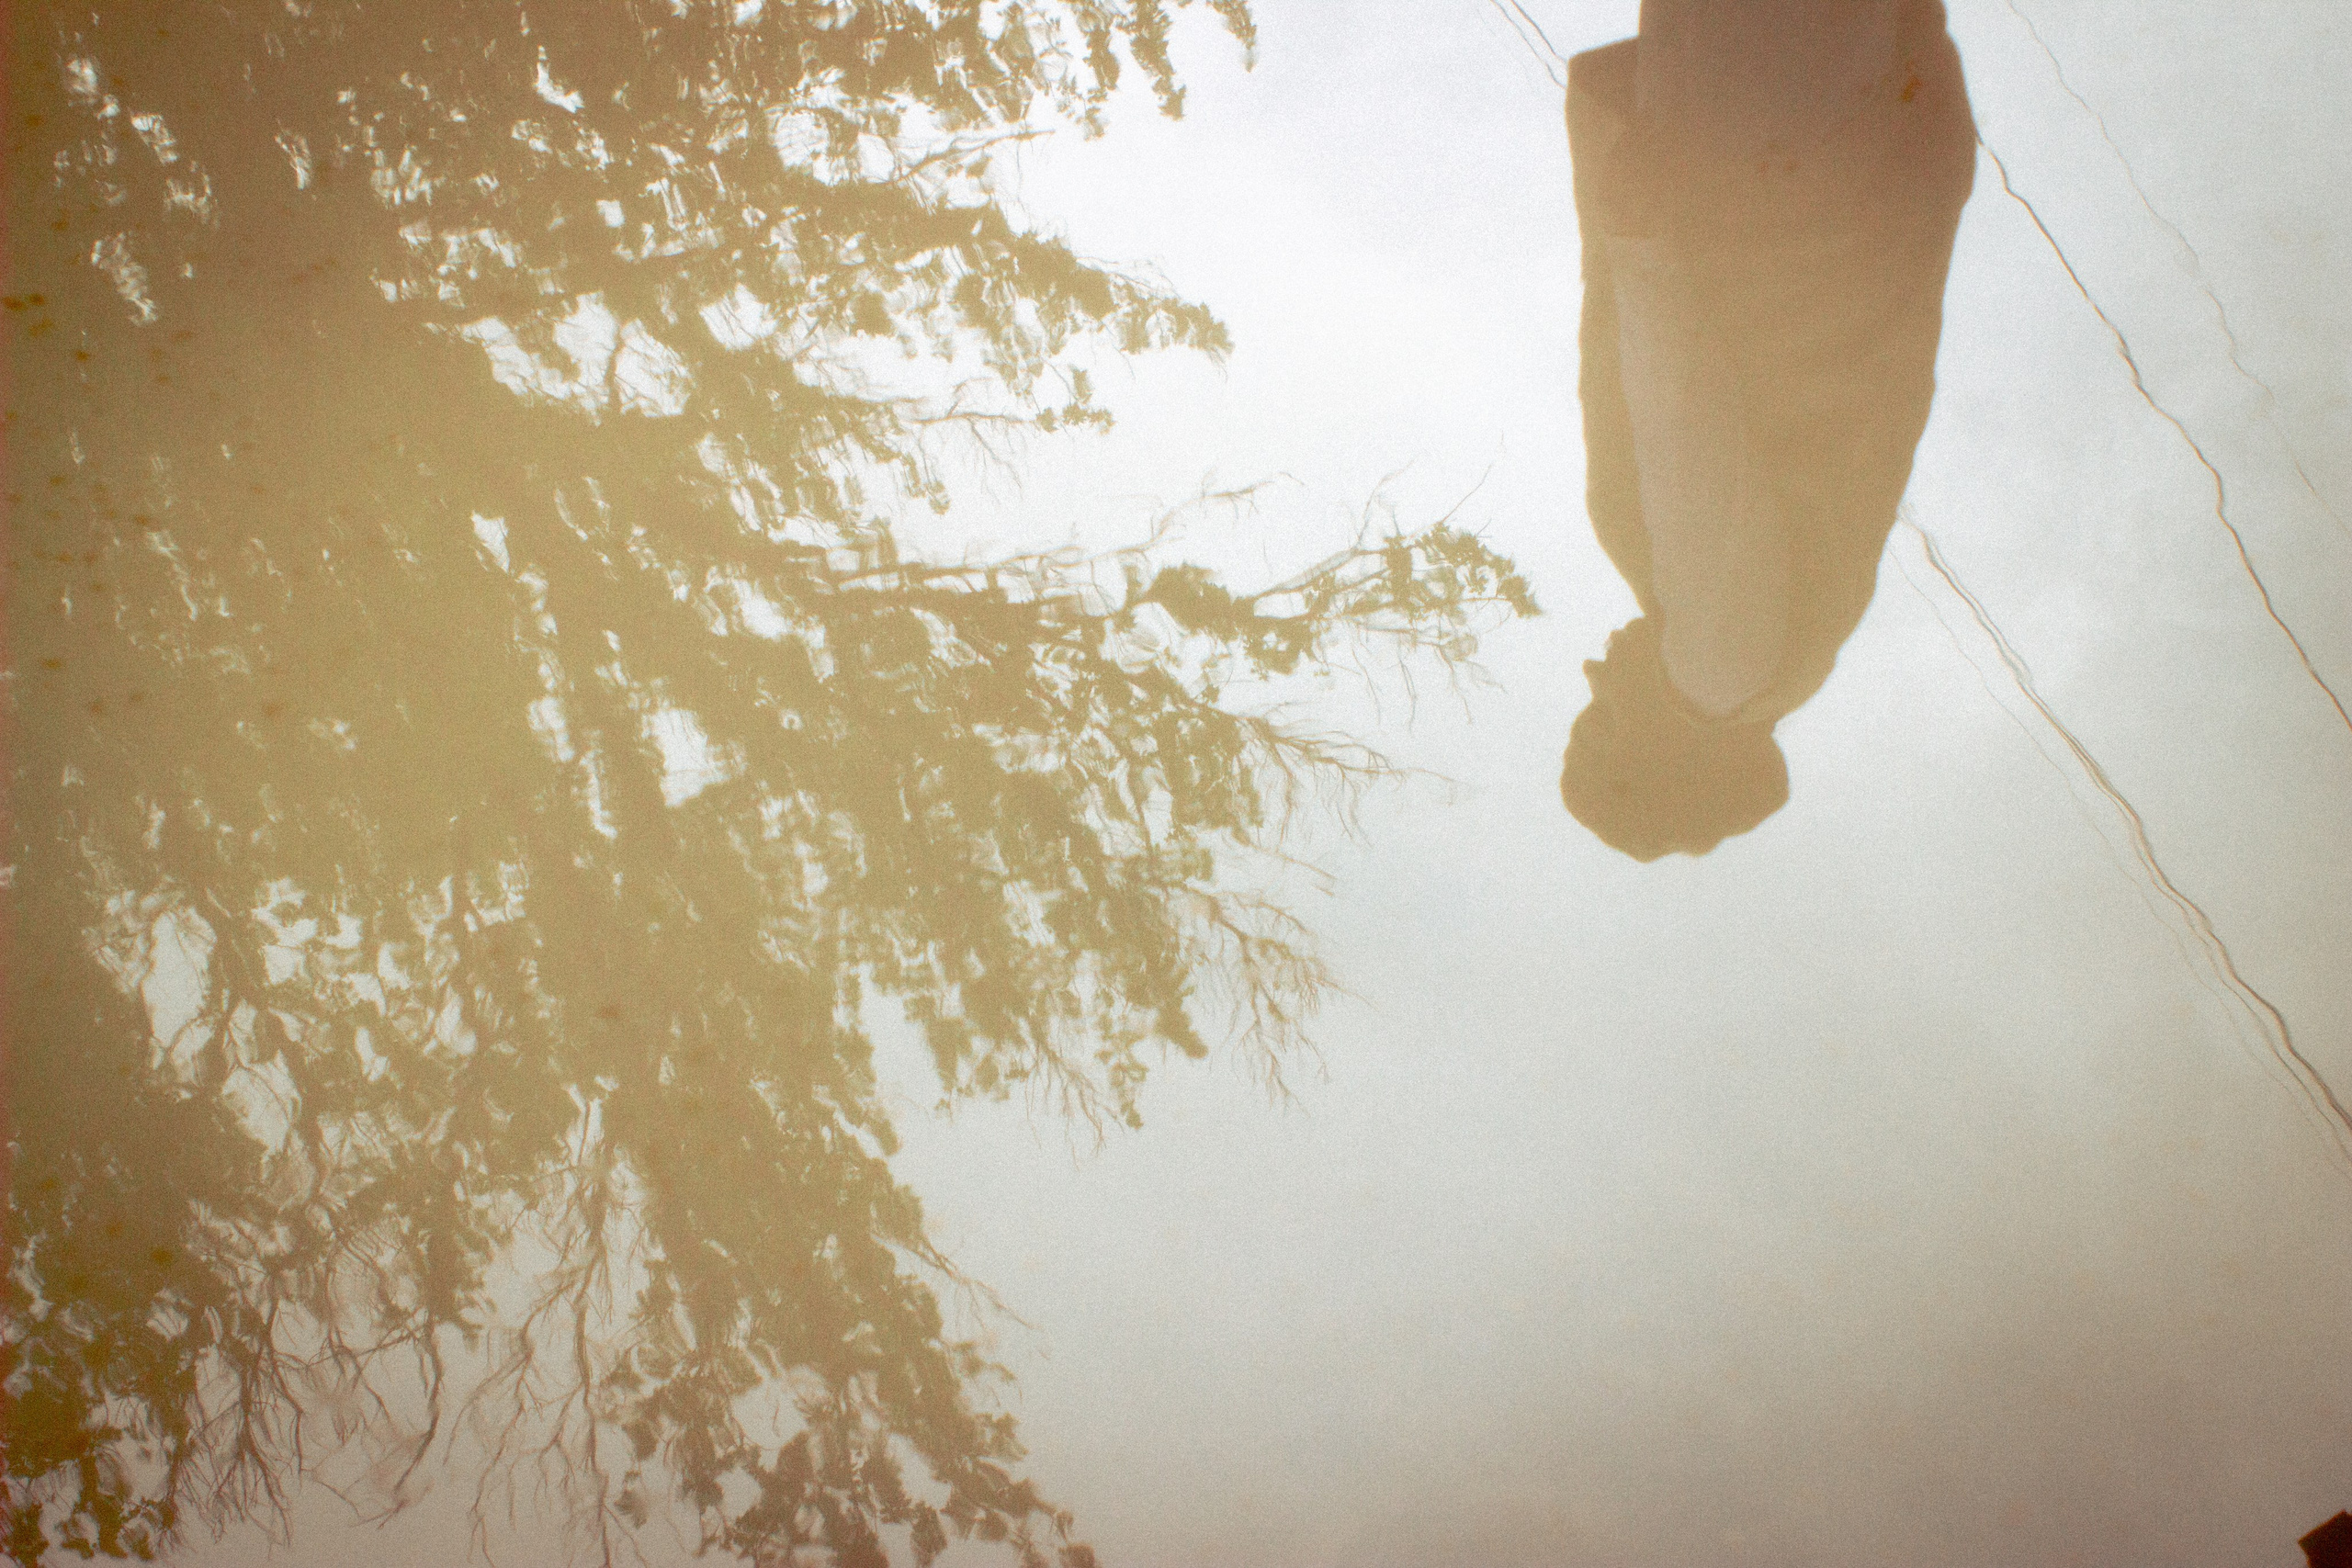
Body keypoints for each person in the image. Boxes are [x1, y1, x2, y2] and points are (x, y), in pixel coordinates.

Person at [1560, 0, 1976, 859]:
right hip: (1761, 182)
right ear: (1662, 758)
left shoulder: (1783, 659)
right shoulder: (1719, 673)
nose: (1595, 675)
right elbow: (1689, 437)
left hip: (1826, 175)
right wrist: (1639, 238)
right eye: (1600, 724)